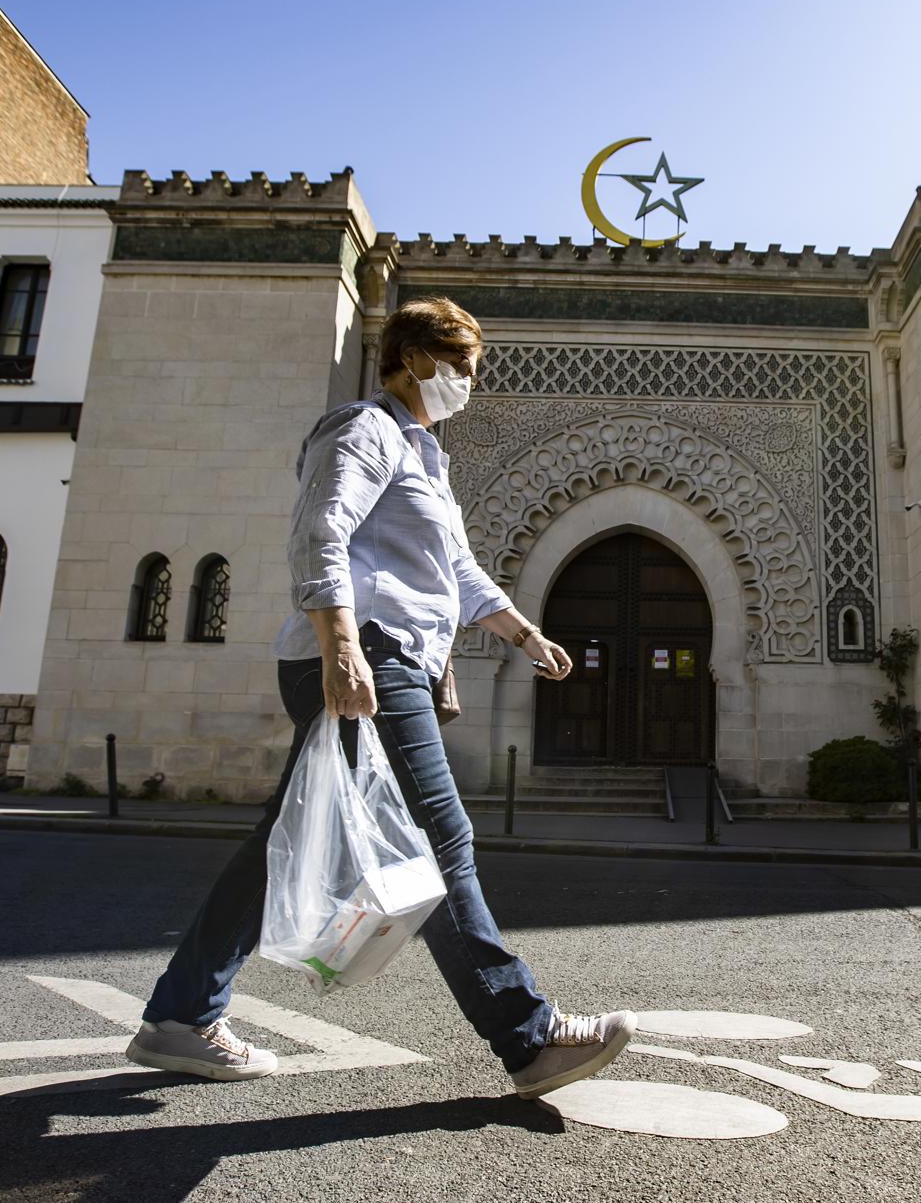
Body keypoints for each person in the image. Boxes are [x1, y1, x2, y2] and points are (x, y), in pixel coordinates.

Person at [125, 296, 636, 1099]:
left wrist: (523, 633)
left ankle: (180, 1017)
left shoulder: (425, 457)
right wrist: (340, 648)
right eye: (457, 365)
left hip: (385, 657)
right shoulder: (361, 428)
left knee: (279, 845)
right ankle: (529, 1036)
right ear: (409, 359)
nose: (467, 382)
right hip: (369, 654)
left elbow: (456, 574)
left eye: (472, 368)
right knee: (441, 835)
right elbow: (320, 532)